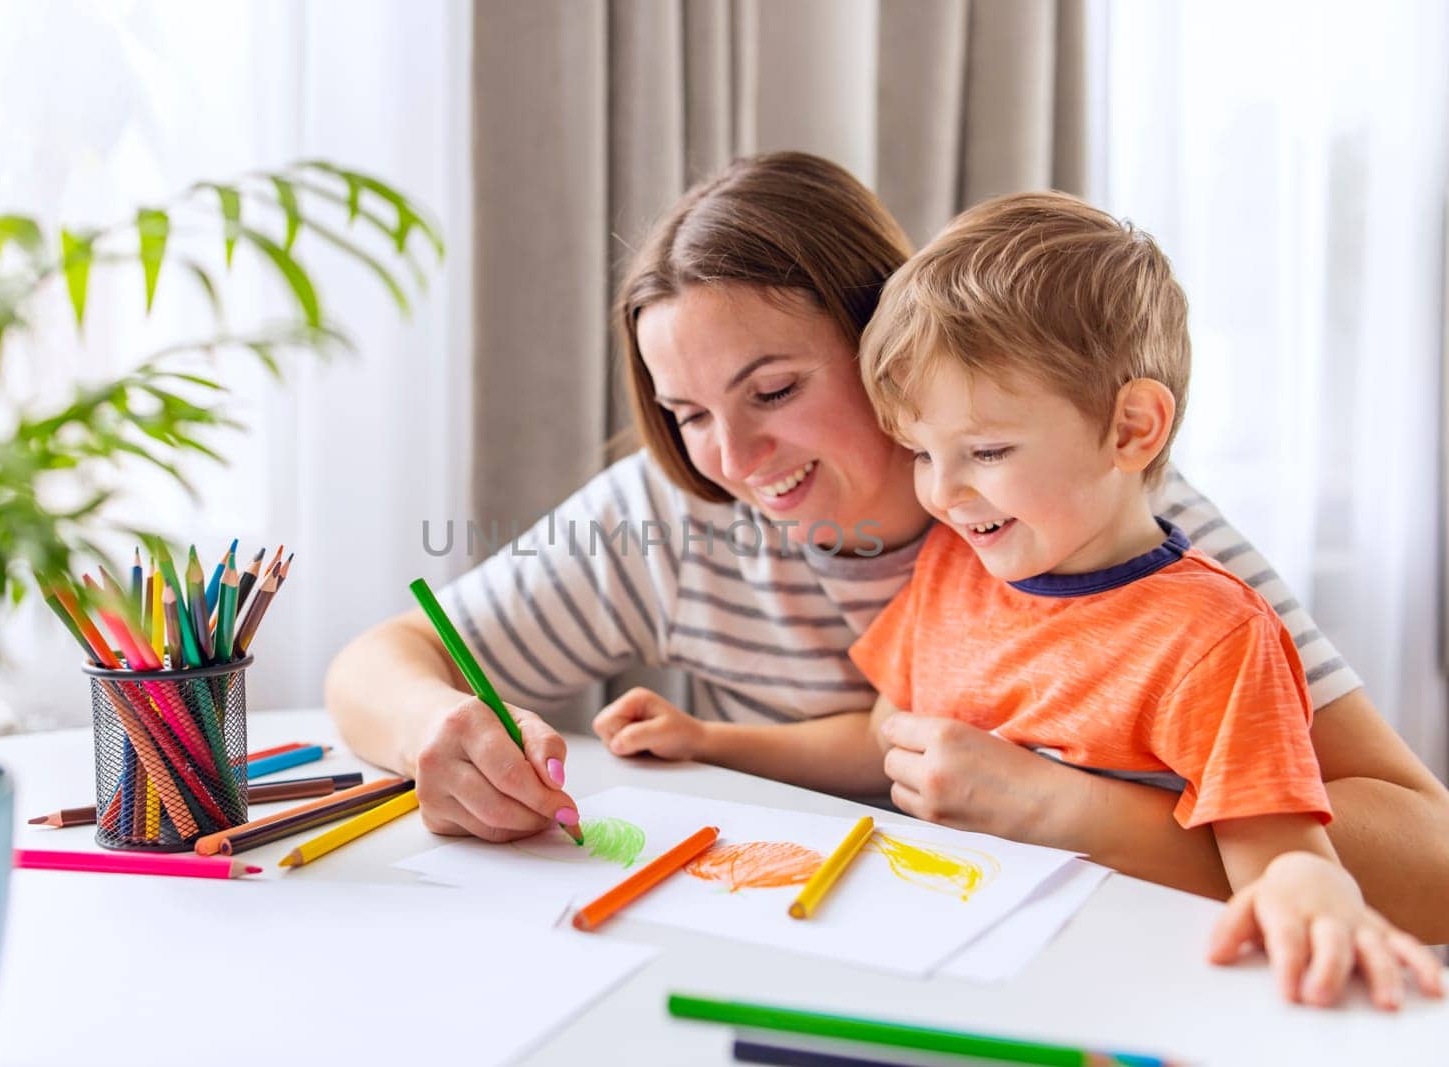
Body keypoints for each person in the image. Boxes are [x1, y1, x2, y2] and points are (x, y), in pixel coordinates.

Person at [325, 151, 1449, 949]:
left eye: (773, 389)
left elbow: (1431, 867)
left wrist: (1066, 806)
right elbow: (377, 660)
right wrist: (442, 728)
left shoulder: (1109, 525)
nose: (734, 456)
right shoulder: (668, 516)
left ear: (888, 342)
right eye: (686, 412)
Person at [596, 191, 1444, 1007]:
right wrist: (711, 740)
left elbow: (1278, 852)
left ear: (1132, 429)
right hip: (970, 963)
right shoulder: (957, 566)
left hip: (1126, 987)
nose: (944, 495)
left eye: (987, 450)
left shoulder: (1214, 634)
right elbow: (879, 736)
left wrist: (1310, 895)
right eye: (922, 454)